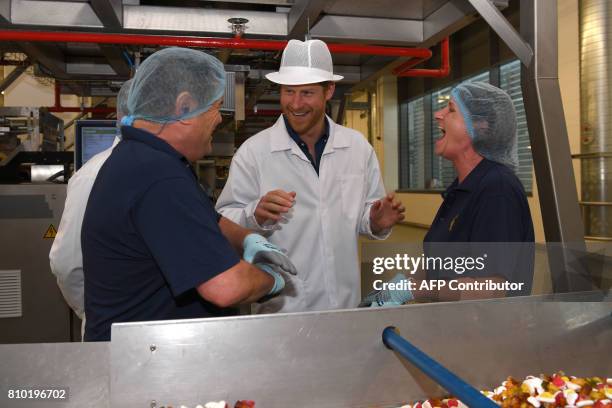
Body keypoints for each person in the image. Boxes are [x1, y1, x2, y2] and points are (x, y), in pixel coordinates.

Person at [81, 47, 296, 341]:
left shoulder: (142, 158)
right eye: (215, 107)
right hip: (146, 364)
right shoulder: (158, 176)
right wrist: (271, 281)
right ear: (184, 108)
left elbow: (206, 218)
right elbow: (225, 287)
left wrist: (246, 237)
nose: (220, 119)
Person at [216, 39, 405, 314]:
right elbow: (223, 219)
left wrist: (375, 222)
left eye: (307, 93)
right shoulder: (254, 152)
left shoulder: (356, 147)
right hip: (284, 308)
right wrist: (254, 214)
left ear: (329, 91)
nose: (295, 103)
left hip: (344, 303)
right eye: (288, 91)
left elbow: (362, 216)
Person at [361, 82, 534, 307]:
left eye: (451, 109)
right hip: (452, 330)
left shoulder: (497, 190)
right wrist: (403, 282)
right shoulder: (461, 190)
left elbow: (490, 289)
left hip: (488, 336)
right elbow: (442, 263)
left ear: (480, 126)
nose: (438, 114)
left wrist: (414, 290)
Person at [50, 79, 132, 333]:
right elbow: (68, 264)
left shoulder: (172, 172)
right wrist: (97, 310)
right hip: (112, 329)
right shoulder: (93, 174)